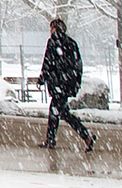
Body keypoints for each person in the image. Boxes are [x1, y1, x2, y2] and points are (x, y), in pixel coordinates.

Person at [39, 18, 96, 151]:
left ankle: (54, 140)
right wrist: (75, 83)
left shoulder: (53, 42)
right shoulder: (71, 43)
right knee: (62, 112)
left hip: (58, 84)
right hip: (67, 84)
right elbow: (78, 65)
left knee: (56, 112)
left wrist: (42, 78)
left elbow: (48, 62)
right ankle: (85, 136)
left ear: (54, 29)